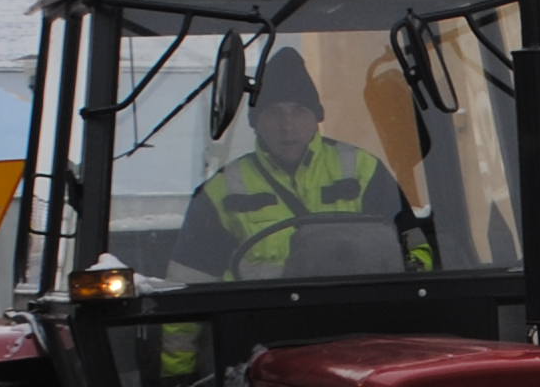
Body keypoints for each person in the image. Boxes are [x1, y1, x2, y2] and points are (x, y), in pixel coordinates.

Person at [176, 48, 437, 278]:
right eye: (274, 113)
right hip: (259, 322)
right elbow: (189, 281)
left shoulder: (364, 170)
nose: (287, 126)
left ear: (316, 118)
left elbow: (413, 247)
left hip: (359, 317)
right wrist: (178, 337)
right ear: (256, 122)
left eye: (299, 111)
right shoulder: (220, 192)